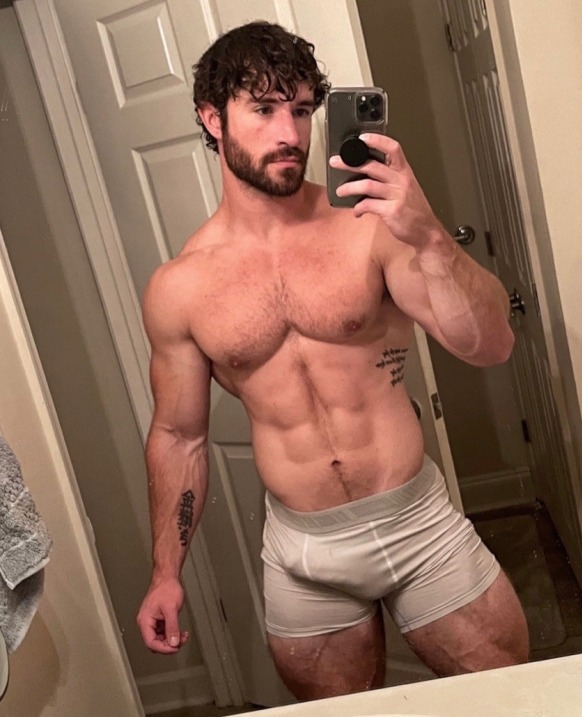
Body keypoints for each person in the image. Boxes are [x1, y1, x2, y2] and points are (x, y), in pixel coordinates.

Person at [136, 21, 529, 701]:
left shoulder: (369, 228)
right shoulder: (180, 286)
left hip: (418, 525)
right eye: (263, 109)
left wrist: (428, 233)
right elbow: (178, 436)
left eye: (300, 109)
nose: (289, 132)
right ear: (212, 119)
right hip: (305, 555)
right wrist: (165, 571)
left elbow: (492, 345)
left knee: (510, 701)